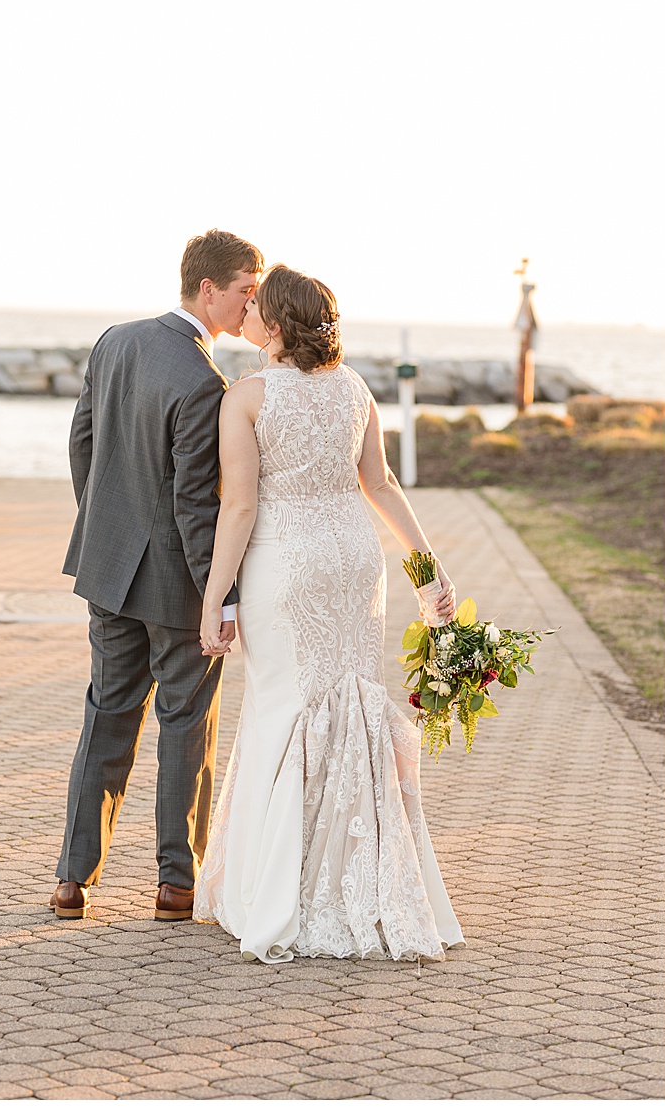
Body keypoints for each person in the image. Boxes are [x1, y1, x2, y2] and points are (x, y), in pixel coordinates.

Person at [192, 265, 463, 963]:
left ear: (276, 326)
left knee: (286, 713)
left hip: (287, 566)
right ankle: (353, 883)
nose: (245, 314)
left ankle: (279, 889)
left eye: (256, 309)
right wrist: (428, 571)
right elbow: (381, 482)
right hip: (354, 564)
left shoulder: (247, 397)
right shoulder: (355, 388)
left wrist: (216, 595)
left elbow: (241, 506)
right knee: (347, 708)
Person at [51, 230, 262, 924]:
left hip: (108, 571)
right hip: (174, 584)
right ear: (208, 289)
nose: (249, 303)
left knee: (106, 717)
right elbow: (196, 505)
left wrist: (107, 525)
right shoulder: (206, 382)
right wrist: (220, 596)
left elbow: (83, 443)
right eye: (243, 291)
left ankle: (72, 881)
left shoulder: (114, 341)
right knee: (185, 725)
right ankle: (176, 883)